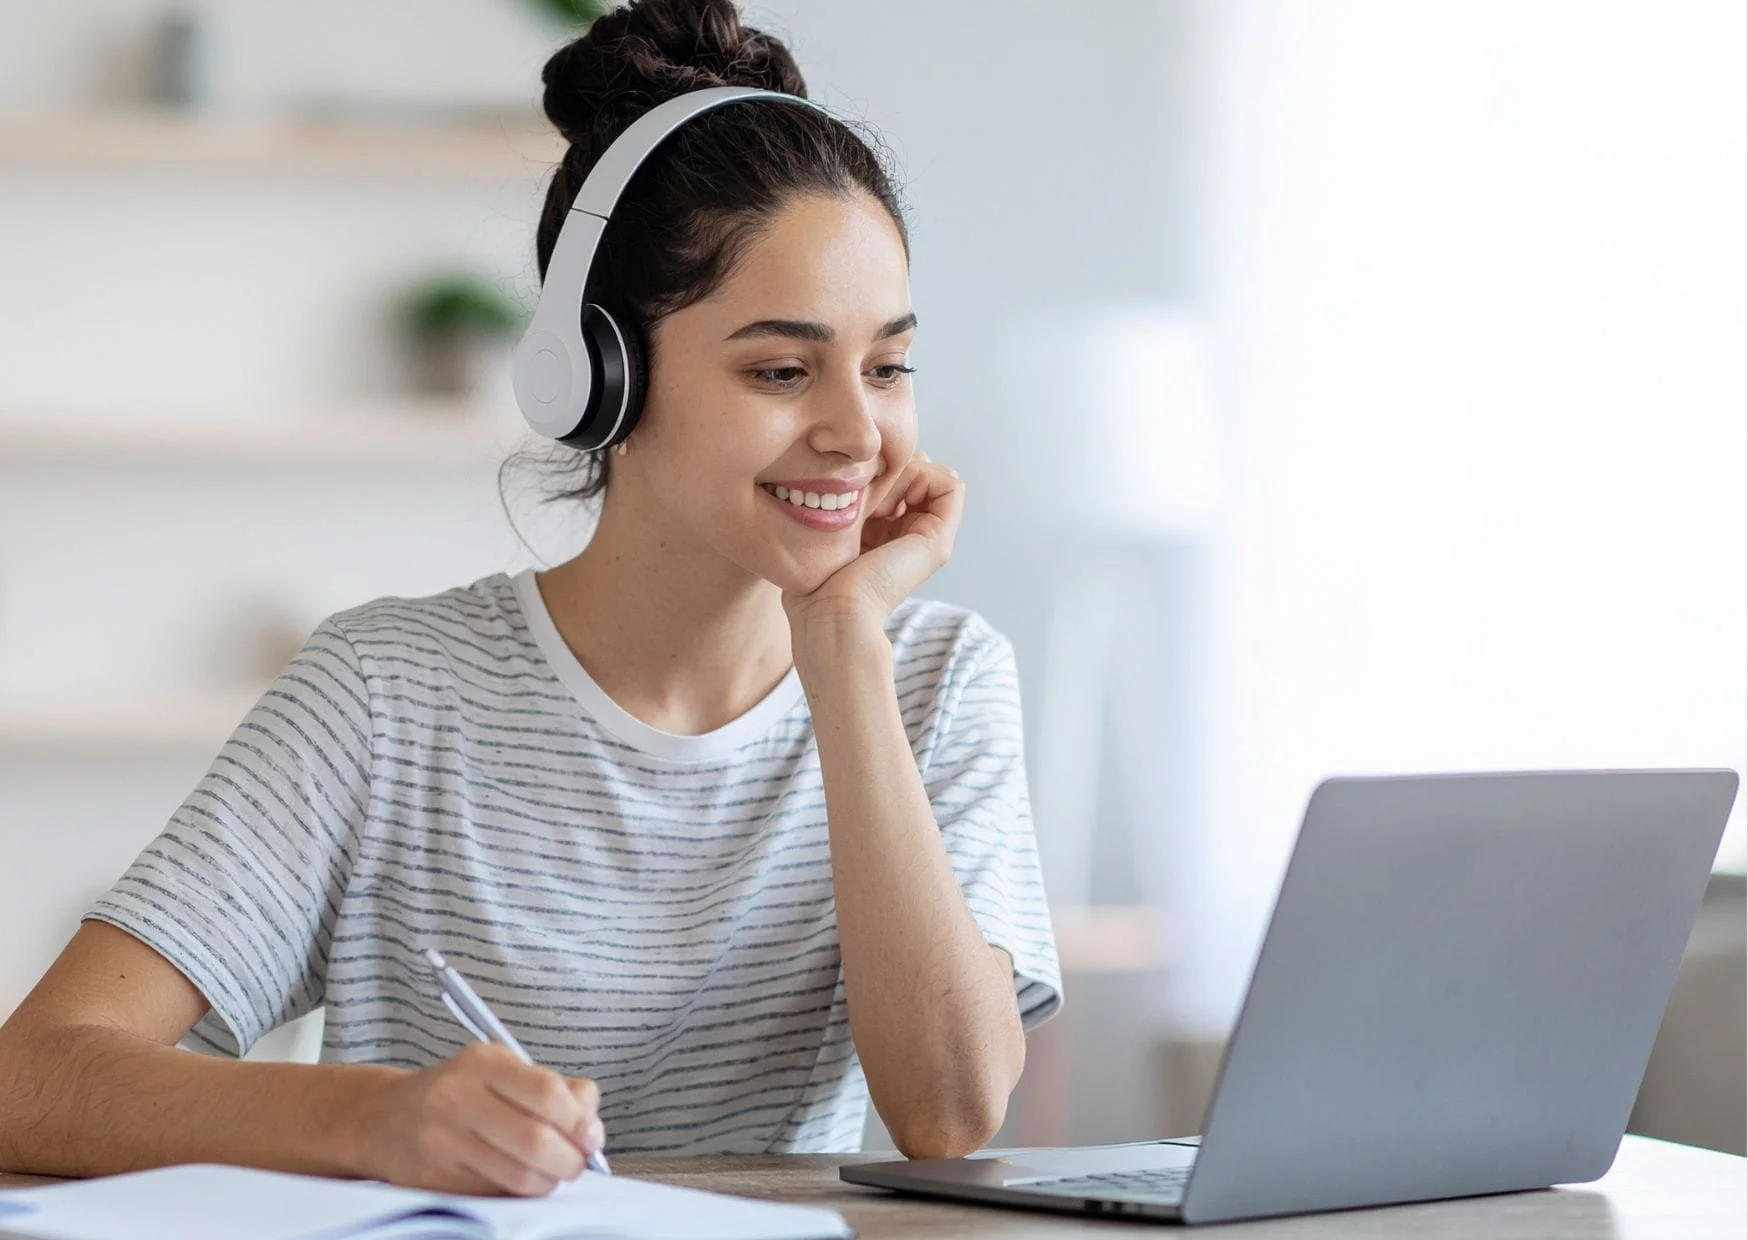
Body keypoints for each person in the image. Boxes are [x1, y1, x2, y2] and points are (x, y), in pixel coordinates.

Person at [0, 0, 1061, 1197]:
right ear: (595, 375)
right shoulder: (385, 693)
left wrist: (843, 652)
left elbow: (949, 1110)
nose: (855, 433)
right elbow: (28, 1080)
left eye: (886, 366)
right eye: (779, 368)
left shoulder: (935, 673)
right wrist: (370, 1123)